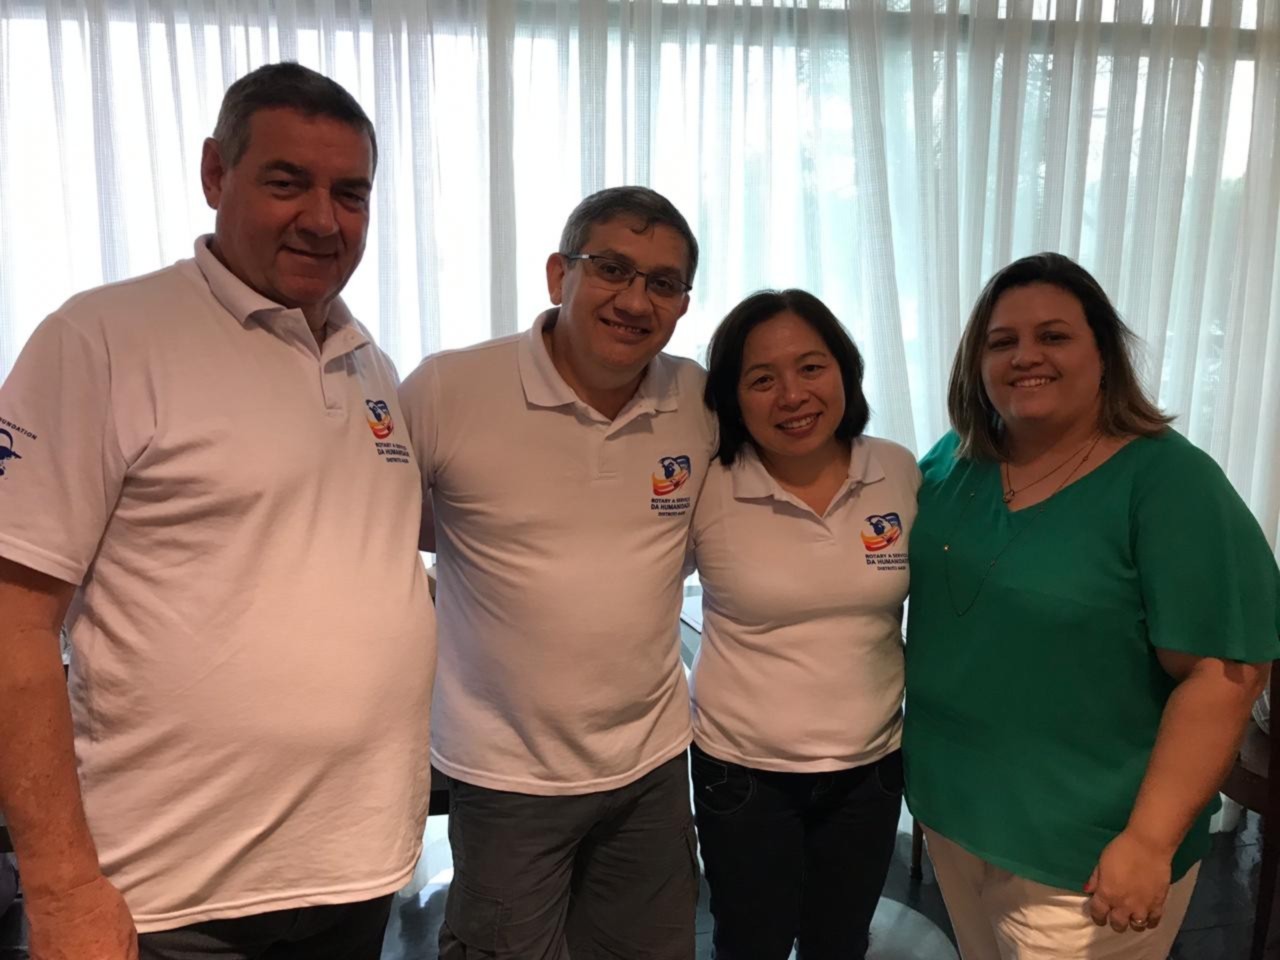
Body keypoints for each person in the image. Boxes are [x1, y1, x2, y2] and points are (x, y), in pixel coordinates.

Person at [0, 62, 436, 960]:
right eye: (287, 182)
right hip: (168, 897)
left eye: (351, 193)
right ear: (214, 173)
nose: (324, 219)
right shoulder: (102, 339)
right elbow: (12, 623)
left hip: (354, 872)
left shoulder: (368, 361)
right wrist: (61, 887)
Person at [904, 252, 1280, 959]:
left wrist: (1149, 841)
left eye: (1054, 336)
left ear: (1104, 354)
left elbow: (1225, 674)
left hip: (1087, 854)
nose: (1026, 356)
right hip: (958, 815)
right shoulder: (955, 461)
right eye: (1002, 341)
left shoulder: (1170, 483)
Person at [398, 186, 714, 960]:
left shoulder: (698, 399)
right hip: (506, 771)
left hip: (650, 764)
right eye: (611, 268)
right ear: (557, 274)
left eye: (662, 282)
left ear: (682, 305)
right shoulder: (449, 389)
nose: (634, 300)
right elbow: (377, 520)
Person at [689, 289, 918, 960]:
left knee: (840, 943)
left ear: (845, 369)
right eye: (762, 379)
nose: (792, 395)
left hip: (870, 768)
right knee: (749, 944)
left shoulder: (897, 470)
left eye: (811, 367)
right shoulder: (709, 484)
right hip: (743, 773)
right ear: (734, 396)